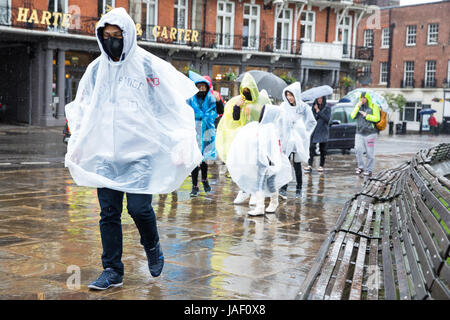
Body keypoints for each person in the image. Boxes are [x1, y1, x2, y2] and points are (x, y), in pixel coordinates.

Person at [64, 8, 202, 290]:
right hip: (106, 154)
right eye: (106, 36)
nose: (112, 41)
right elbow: (84, 109)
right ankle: (112, 269)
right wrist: (76, 142)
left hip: (141, 155)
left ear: (128, 35)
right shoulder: (95, 71)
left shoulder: (147, 67)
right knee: (108, 214)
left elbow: (170, 108)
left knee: (139, 210)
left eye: (117, 36)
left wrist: (178, 143)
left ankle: (152, 245)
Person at [216, 72, 270, 205]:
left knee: (256, 166)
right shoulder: (237, 101)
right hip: (244, 138)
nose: (246, 92)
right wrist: (237, 107)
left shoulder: (262, 101)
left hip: (258, 137)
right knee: (244, 165)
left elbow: (268, 118)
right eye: (244, 90)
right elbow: (234, 119)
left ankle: (255, 193)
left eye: (248, 90)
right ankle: (245, 189)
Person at [226, 105, 292, 216]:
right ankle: (262, 206)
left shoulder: (271, 128)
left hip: (269, 161)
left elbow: (272, 146)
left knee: (268, 183)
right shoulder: (262, 127)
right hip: (261, 160)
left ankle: (271, 203)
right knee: (261, 183)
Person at [278, 82, 317, 199]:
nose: (289, 98)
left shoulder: (303, 107)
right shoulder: (284, 106)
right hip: (286, 139)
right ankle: (283, 188)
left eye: (291, 95)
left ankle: (299, 188)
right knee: (285, 164)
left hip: (298, 140)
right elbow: (279, 120)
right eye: (287, 95)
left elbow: (311, 121)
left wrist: (303, 131)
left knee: (296, 164)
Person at [187, 71, 218, 197]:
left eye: (203, 86)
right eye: (198, 86)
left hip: (207, 132)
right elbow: (186, 113)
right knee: (195, 159)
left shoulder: (211, 98)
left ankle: (204, 180)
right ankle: (195, 185)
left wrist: (219, 101)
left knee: (204, 159)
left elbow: (216, 112)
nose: (201, 89)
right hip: (194, 132)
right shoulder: (190, 99)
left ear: (207, 87)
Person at [350, 91, 381, 177]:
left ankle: (369, 170)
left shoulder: (374, 106)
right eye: (361, 98)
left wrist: (366, 115)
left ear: (367, 98)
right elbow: (352, 116)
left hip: (370, 133)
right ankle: (360, 167)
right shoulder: (359, 107)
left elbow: (377, 118)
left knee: (369, 153)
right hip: (359, 132)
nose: (362, 99)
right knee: (358, 149)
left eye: (364, 98)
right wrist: (357, 106)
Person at [306, 96, 331, 173]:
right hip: (315, 130)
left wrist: (318, 111)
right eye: (318, 98)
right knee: (311, 147)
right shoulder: (313, 107)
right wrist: (315, 110)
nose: (319, 100)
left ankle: (321, 165)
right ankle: (310, 165)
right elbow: (311, 118)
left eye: (321, 98)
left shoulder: (327, 108)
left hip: (323, 130)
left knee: (322, 149)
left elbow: (327, 119)